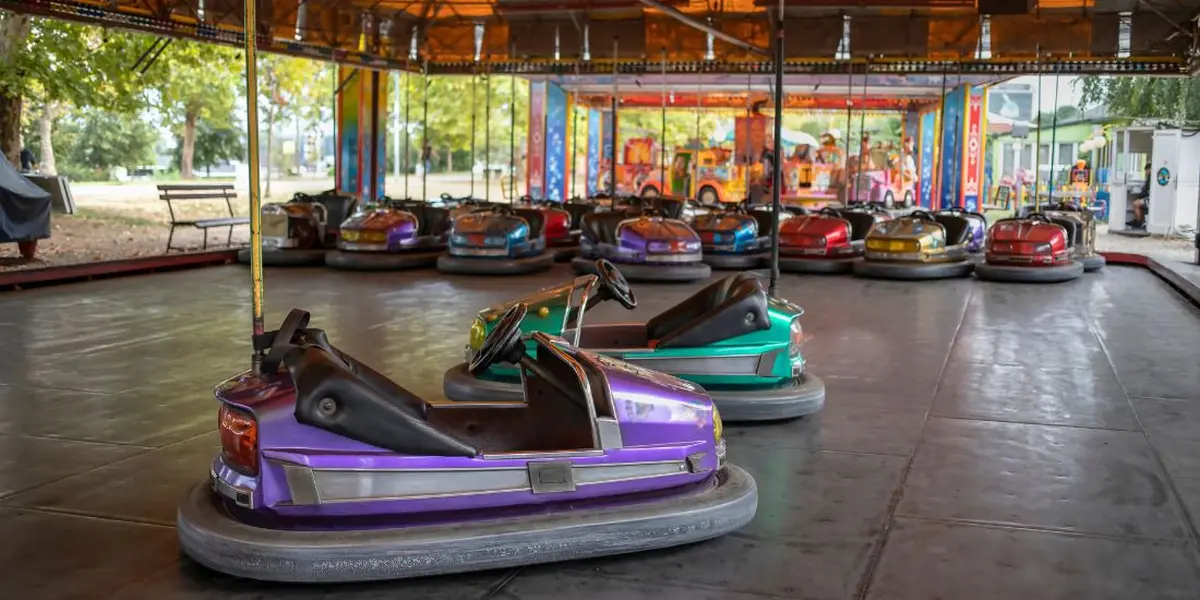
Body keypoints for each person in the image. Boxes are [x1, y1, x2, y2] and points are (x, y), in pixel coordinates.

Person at [1130, 162, 1150, 229]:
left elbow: (1146, 192)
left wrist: (1139, 198)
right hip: (1148, 198)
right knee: (1138, 203)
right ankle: (1140, 222)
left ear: (1149, 169)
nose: (1146, 172)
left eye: (1146, 171)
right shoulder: (1149, 178)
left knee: (1135, 204)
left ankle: (1139, 223)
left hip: (1149, 199)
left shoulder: (1151, 177)